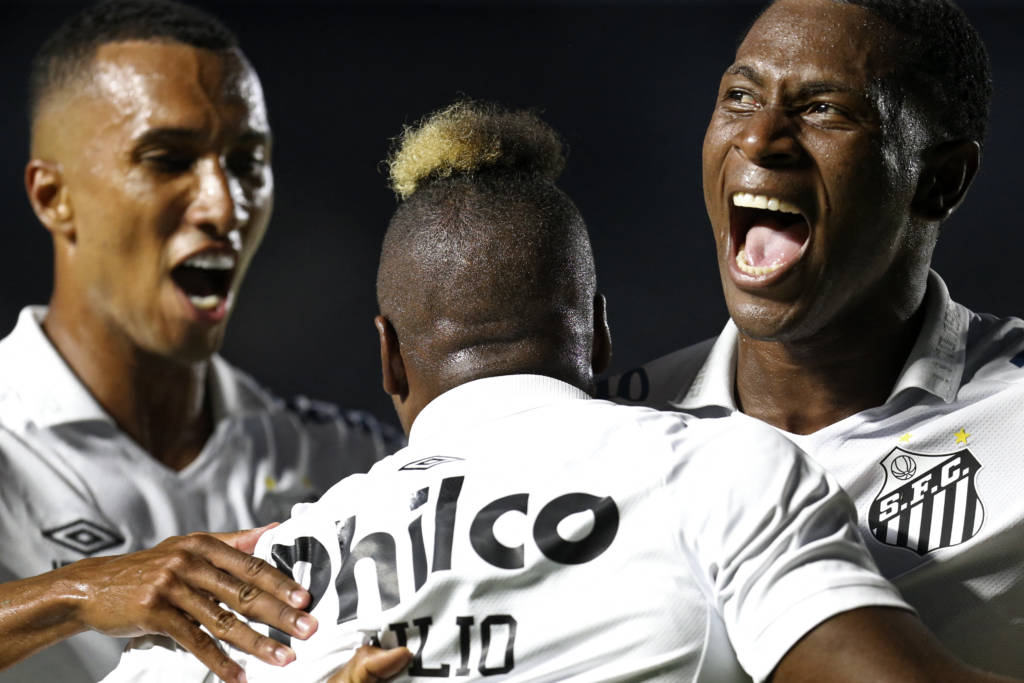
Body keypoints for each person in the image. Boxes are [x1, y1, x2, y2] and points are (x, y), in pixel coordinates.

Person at [103, 101, 1018, 683]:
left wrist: (68, 597)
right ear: (600, 332)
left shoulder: (245, 583)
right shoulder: (723, 470)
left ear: (390, 358)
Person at [600, 0, 1024, 675]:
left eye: (825, 109)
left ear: (940, 180)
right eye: (740, 97)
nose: (759, 138)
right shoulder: (606, 431)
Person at [0, 1, 402, 681]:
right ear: (52, 196)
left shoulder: (346, 461)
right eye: (168, 160)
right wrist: (77, 595)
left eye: (247, 163)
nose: (224, 204)